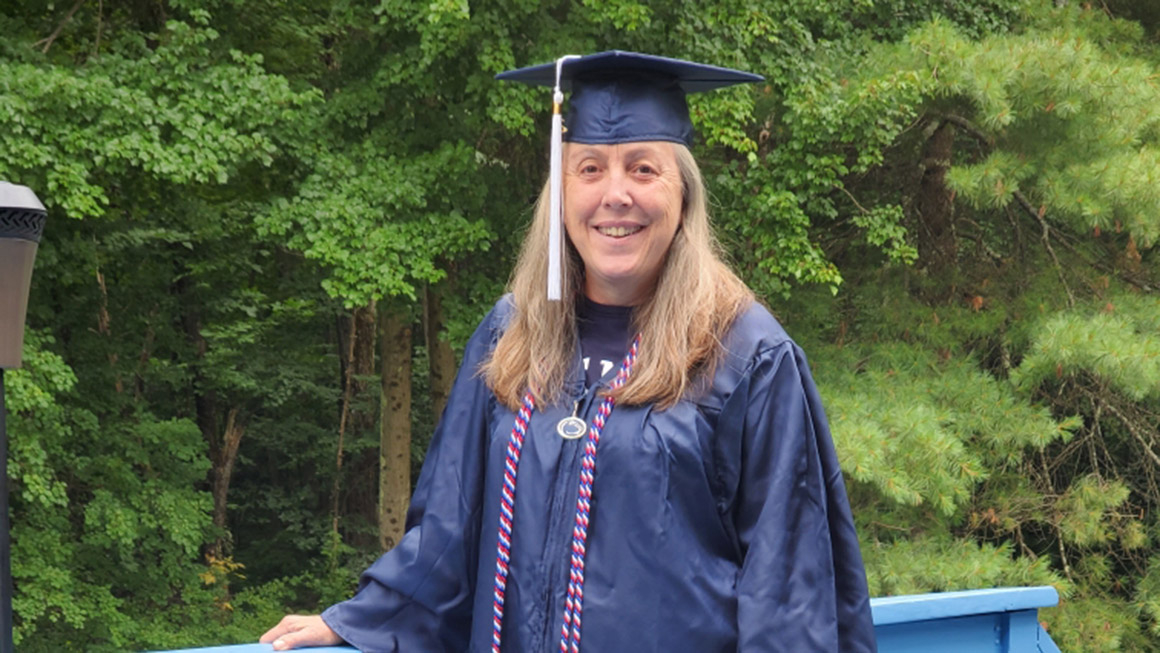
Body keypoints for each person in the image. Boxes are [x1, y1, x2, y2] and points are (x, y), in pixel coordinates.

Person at [261, 51, 877, 653]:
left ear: (683, 196)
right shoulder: (512, 333)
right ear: (560, 194)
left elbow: (789, 581)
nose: (615, 195)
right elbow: (453, 520)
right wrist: (363, 618)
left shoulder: (745, 354)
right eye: (588, 169)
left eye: (642, 169)